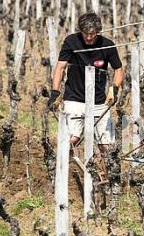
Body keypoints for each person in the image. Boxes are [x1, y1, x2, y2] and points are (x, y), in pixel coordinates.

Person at [47, 12, 124, 152]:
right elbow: (60, 68)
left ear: (98, 32)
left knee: (107, 147)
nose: (89, 37)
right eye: (85, 34)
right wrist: (55, 92)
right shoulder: (71, 42)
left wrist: (114, 88)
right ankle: (62, 170)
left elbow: (118, 70)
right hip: (74, 99)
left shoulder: (107, 45)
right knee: (71, 139)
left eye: (92, 34)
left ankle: (107, 172)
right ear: (81, 31)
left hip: (99, 101)